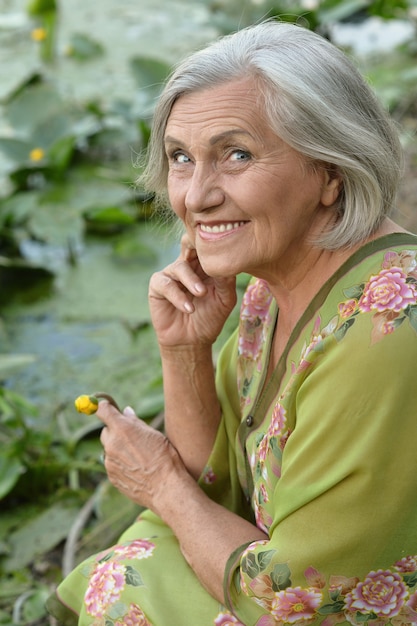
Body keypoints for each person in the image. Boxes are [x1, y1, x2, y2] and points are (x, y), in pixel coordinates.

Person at [46, 19, 417, 626]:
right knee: (143, 554)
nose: (194, 196)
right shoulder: (266, 293)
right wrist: (184, 349)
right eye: (181, 158)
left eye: (236, 154)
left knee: (127, 584)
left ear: (330, 170)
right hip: (284, 586)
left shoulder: (385, 330)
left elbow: (290, 599)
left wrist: (159, 482)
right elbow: (218, 488)